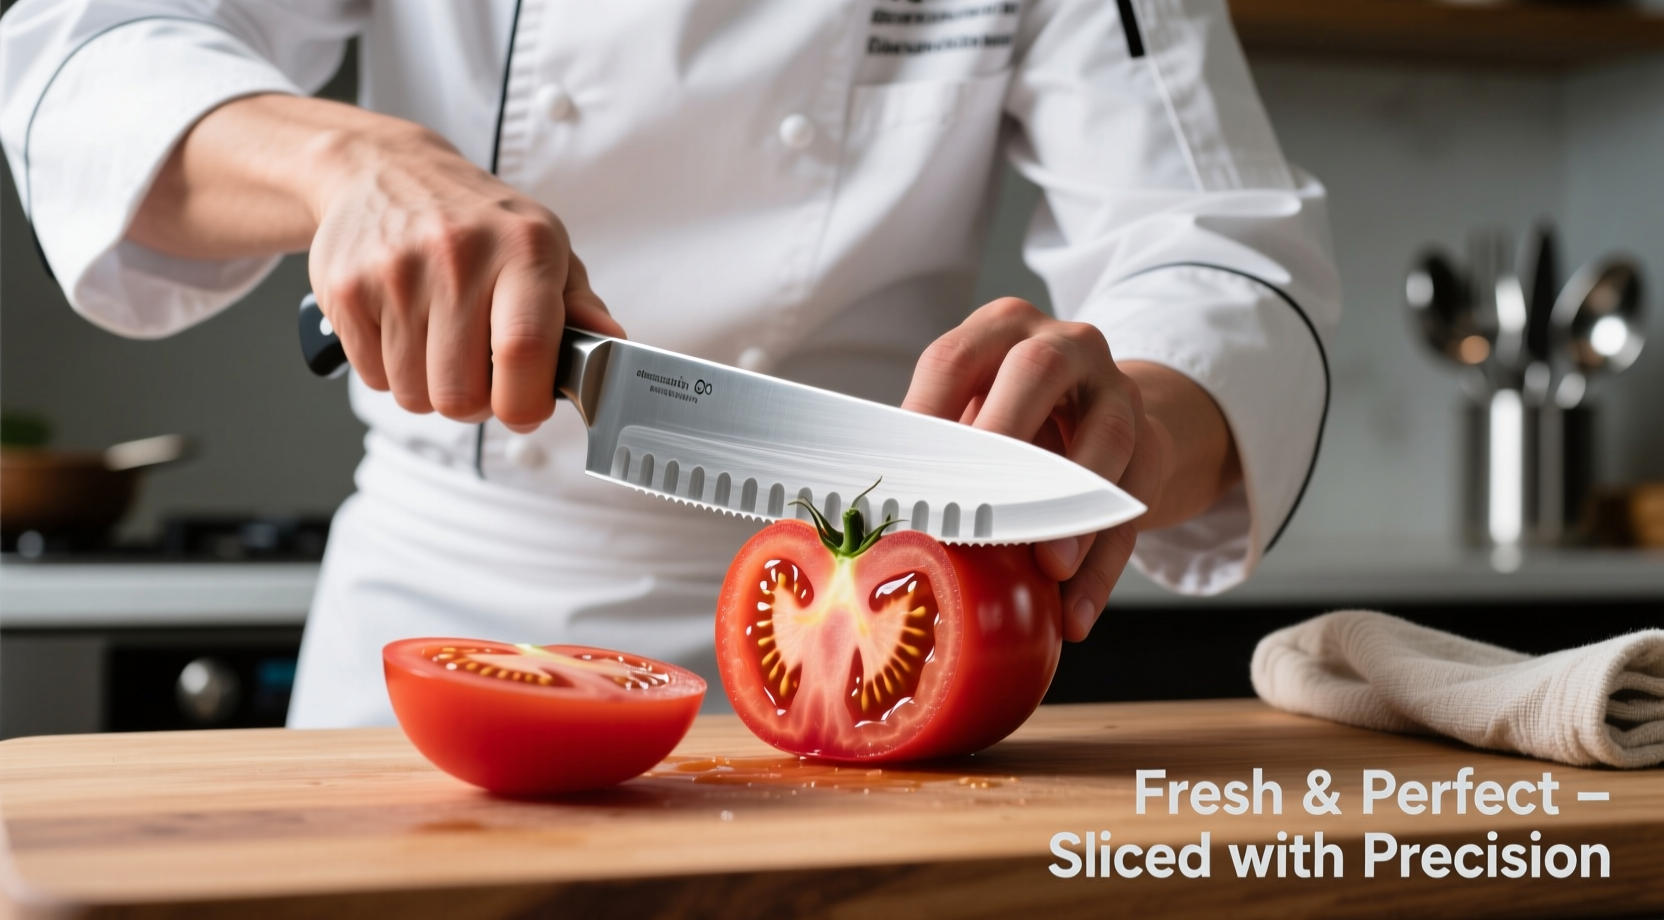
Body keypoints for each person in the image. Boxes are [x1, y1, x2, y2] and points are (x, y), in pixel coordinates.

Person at [0, 0, 1338, 726]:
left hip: (873, 627)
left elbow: (1215, 239)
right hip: (445, 637)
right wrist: (353, 164)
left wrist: (1135, 426)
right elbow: (88, 54)